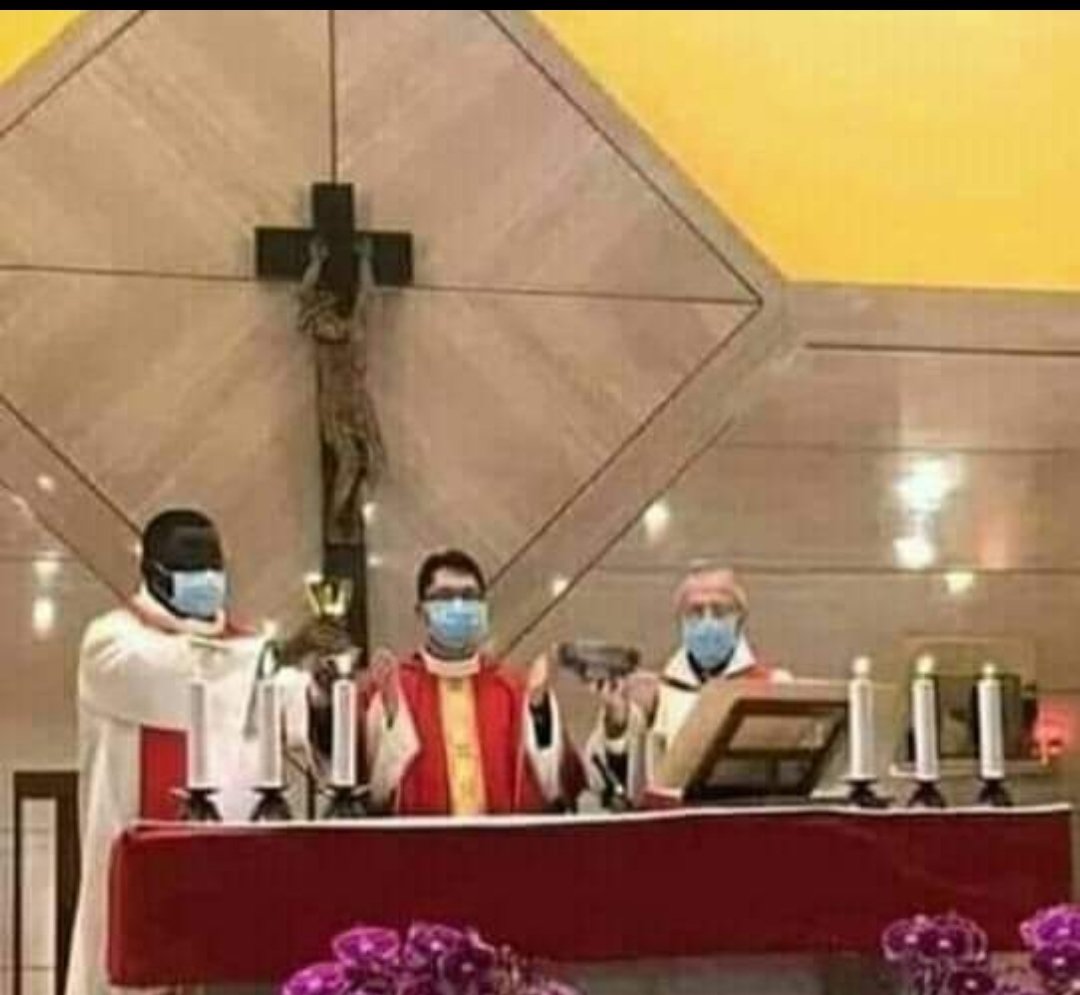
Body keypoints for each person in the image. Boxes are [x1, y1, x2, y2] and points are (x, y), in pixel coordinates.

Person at [67, 509, 311, 995]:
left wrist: (323, 688)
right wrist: (272, 656)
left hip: (228, 873)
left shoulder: (249, 650)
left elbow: (293, 711)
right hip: (139, 877)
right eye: (191, 562)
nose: (207, 576)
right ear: (152, 570)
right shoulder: (110, 643)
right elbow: (183, 674)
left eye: (214, 563)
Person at [361, 549, 583, 814]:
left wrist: (538, 710)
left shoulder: (514, 689)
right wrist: (390, 719)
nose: (458, 606)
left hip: (501, 839)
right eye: (445, 596)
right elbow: (372, 786)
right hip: (421, 840)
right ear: (421, 612)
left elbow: (552, 784)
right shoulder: (397, 686)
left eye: (469, 596)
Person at [584, 567, 788, 803]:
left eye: (719, 611)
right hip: (676, 821)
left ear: (739, 621)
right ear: (681, 620)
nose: (707, 622)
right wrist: (617, 725)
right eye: (696, 612)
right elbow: (611, 782)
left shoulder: (773, 687)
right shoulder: (657, 693)